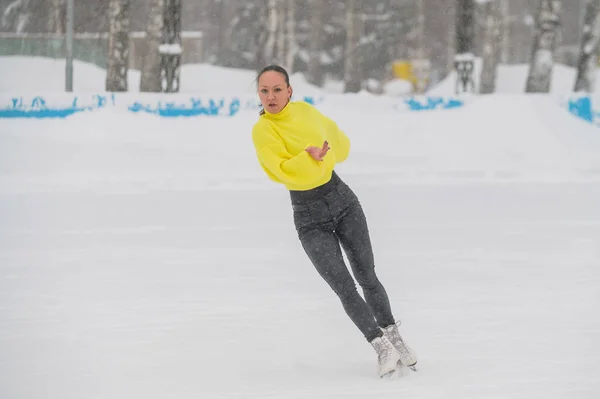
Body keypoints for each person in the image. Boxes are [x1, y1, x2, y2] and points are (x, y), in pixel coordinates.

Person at [250, 65, 417, 378]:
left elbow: (340, 145)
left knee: (367, 275)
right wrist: (306, 157)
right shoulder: (263, 130)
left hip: (342, 200)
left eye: (277, 89)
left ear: (289, 91)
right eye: (264, 91)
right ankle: (380, 345)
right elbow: (280, 170)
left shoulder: (307, 113)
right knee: (344, 287)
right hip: (308, 216)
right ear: (258, 94)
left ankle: (395, 337)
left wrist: (323, 155)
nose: (271, 97)